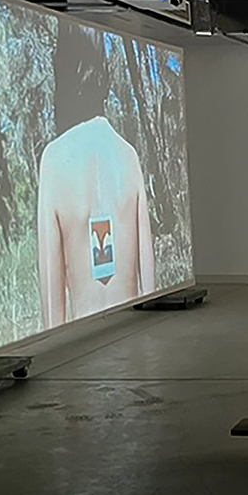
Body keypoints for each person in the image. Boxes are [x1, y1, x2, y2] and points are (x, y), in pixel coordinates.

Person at [37, 24, 154, 329]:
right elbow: (152, 290)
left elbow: (52, 313)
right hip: (135, 339)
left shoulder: (54, 160)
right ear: (104, 72)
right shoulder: (128, 156)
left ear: (62, 68)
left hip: (85, 347)